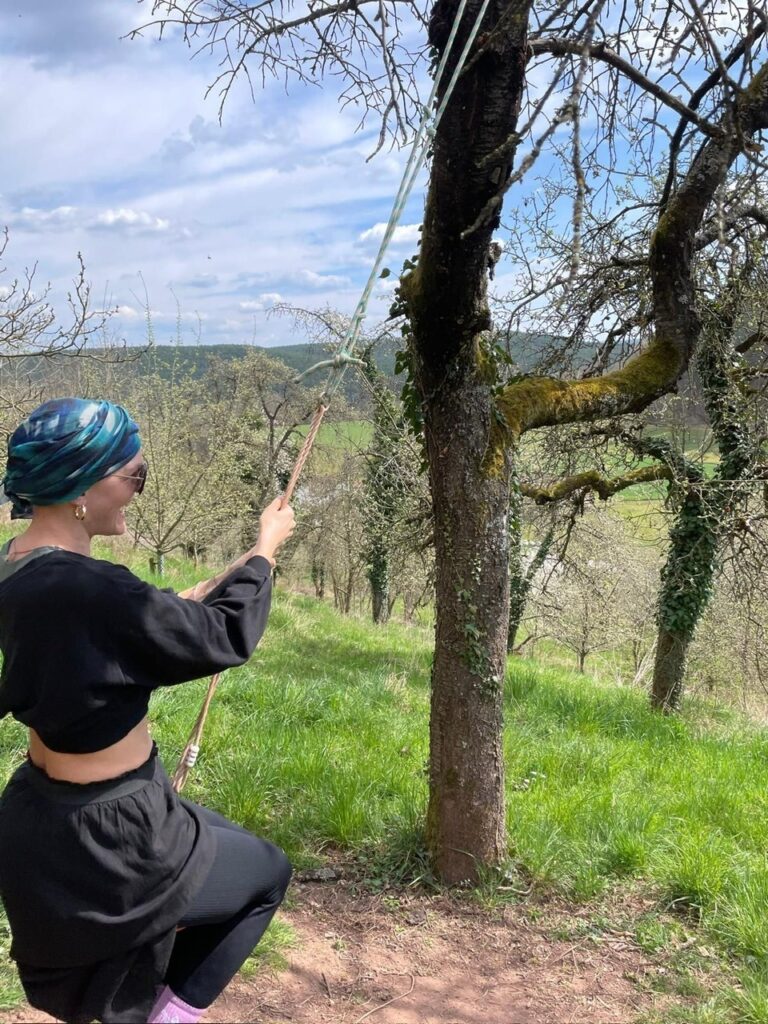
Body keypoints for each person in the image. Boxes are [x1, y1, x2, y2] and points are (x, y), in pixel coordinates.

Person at [0, 398, 296, 1024]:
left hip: (39, 815)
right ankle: (170, 1015)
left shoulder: (19, 569)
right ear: (84, 485)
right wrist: (266, 549)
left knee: (230, 842)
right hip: (113, 835)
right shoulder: (92, 591)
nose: (137, 489)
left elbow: (122, 627)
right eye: (134, 476)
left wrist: (215, 579)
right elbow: (222, 637)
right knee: (268, 873)